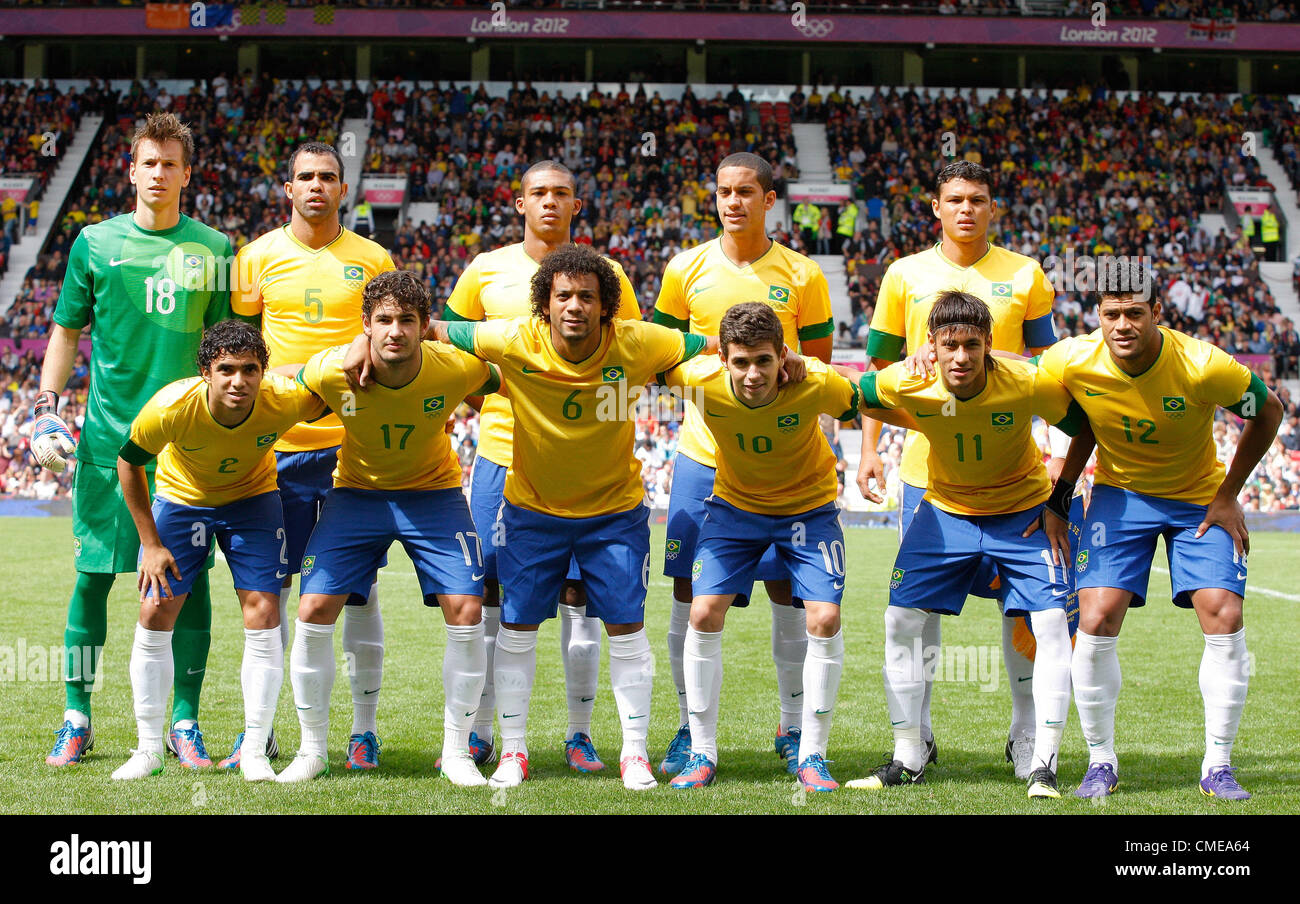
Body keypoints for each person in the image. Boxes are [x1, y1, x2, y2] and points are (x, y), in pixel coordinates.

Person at [433, 244, 751, 791]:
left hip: (615, 514)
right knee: (516, 628)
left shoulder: (641, 341)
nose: (575, 306)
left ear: (607, 306)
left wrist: (785, 359)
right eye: (563, 296)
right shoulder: (514, 339)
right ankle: (514, 751)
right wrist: (365, 344)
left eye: (587, 296)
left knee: (627, 630)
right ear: (544, 305)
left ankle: (633, 754)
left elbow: (717, 344)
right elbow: (437, 328)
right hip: (533, 511)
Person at [35, 112, 238, 769]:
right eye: (147, 163)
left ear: (186, 173)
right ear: (132, 171)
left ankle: (184, 721)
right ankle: (76, 714)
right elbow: (66, 330)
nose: (158, 173)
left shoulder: (215, 249)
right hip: (106, 441)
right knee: (92, 575)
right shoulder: (94, 244)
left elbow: (226, 346)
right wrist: (44, 405)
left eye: (169, 163)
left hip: (187, 446)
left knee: (192, 581)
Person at [1035, 262, 1283, 800]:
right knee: (1096, 617)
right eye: (1110, 314)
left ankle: (1217, 765)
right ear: (1095, 316)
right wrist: (1059, 496)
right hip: (1121, 497)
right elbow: (1019, 378)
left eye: (1134, 313)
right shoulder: (1072, 359)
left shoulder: (1202, 365)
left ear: (1157, 315)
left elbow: (1269, 412)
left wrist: (1228, 495)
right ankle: (1101, 760)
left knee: (1224, 612)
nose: (1121, 325)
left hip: (1199, 497)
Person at [856, 160, 1062, 779]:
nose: (966, 208)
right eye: (955, 199)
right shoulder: (903, 274)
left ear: (992, 209)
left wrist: (1054, 453)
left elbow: (1047, 367)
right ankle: (915, 740)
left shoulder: (1025, 273)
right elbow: (876, 374)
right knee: (921, 612)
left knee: (1022, 611)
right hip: (930, 471)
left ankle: (1026, 736)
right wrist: (869, 450)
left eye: (978, 199)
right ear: (936, 207)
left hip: (1009, 464)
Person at [442, 160, 643, 773]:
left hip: (582, 471)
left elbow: (626, 359)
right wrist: (499, 398)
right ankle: (484, 732)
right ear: (519, 203)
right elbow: (452, 347)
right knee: (494, 597)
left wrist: (581, 422)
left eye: (561, 194)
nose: (550, 203)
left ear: (577, 205)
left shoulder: (607, 278)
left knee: (580, 596)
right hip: (502, 460)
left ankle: (579, 735)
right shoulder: (485, 270)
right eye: (538, 194)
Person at [844, 291, 1085, 799]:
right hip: (945, 512)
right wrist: (910, 421)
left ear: (989, 344)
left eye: (971, 345)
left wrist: (1060, 502)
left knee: (1047, 623)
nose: (960, 357)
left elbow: (1082, 427)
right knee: (901, 619)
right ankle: (909, 754)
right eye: (949, 345)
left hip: (1022, 515)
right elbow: (856, 395)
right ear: (931, 344)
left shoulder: (1026, 381)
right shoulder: (910, 381)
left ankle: (1044, 762)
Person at [277, 271, 500, 786]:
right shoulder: (335, 369)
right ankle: (312, 750)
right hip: (357, 494)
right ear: (365, 326)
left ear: (425, 326)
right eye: (382, 321)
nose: (394, 330)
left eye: (406, 320)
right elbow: (287, 376)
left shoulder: (455, 368)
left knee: (467, 607)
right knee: (312, 607)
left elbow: (509, 381)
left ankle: (459, 752)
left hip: (434, 495)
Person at [652, 152, 834, 777]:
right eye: (724, 191)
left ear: (769, 199)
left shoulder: (803, 274)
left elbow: (816, 367)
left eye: (745, 192)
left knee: (789, 587)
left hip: (783, 468)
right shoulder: (684, 269)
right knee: (691, 594)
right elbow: (659, 353)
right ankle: (688, 728)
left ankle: (792, 725)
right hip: (704, 457)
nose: (733, 202)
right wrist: (713, 356)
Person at [661, 303, 881, 792]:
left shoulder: (816, 382)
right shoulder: (697, 378)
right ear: (724, 360)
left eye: (764, 360)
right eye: (741, 362)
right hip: (734, 511)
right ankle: (702, 752)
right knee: (701, 614)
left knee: (823, 618)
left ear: (783, 355)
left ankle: (812, 756)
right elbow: (650, 352)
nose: (753, 374)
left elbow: (869, 393)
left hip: (808, 511)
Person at [229, 141, 395, 771]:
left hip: (352, 450)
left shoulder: (373, 258)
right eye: (306, 177)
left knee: (358, 592)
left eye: (329, 177)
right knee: (269, 592)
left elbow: (385, 336)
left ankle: (363, 730)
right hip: (278, 451)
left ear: (343, 189)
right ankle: (261, 732)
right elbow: (241, 345)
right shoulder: (256, 259)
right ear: (288, 188)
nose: (317, 186)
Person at [111, 322, 325, 782]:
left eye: (250, 370)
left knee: (264, 611)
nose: (238, 381)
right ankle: (148, 748)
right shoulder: (170, 406)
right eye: (225, 369)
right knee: (155, 612)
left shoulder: (284, 399)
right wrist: (150, 544)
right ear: (206, 372)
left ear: (263, 373)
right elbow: (128, 463)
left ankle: (254, 750)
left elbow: (326, 382)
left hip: (253, 499)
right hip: (182, 499)